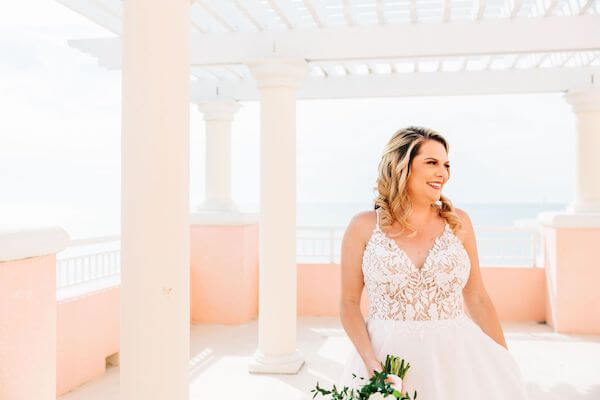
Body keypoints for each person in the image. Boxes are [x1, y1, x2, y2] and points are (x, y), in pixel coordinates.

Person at [337, 126, 529, 399]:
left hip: (454, 359)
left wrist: (503, 360)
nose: (443, 173)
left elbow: (477, 297)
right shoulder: (363, 226)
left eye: (446, 165)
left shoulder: (459, 222)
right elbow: (347, 304)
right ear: (402, 166)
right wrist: (372, 365)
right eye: (432, 163)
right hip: (385, 358)